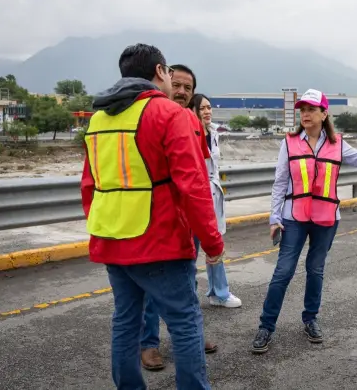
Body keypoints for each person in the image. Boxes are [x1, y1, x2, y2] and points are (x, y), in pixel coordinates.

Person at [81, 43, 224, 390]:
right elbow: (192, 185)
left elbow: (90, 185)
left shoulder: (100, 118)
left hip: (113, 239)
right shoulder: (169, 114)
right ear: (160, 72)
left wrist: (104, 227)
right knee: (185, 322)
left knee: (125, 322)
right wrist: (212, 241)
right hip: (160, 240)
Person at [251, 88, 357, 354]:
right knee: (283, 272)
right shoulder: (288, 142)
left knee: (316, 270)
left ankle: (310, 319)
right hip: (294, 218)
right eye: (303, 110)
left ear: (324, 113)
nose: (306, 114)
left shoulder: (338, 143)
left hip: (326, 218)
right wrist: (274, 217)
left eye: (311, 109)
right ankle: (266, 326)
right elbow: (279, 182)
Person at [139, 64, 219, 370]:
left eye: (189, 87)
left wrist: (207, 224)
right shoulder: (150, 119)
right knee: (148, 288)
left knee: (187, 283)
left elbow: (198, 175)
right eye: (178, 85)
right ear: (167, 83)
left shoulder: (192, 121)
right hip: (153, 221)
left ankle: (189, 336)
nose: (183, 92)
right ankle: (148, 344)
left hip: (188, 221)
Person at [190, 93, 242, 308]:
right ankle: (189, 298)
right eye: (202, 108)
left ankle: (219, 293)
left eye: (209, 107)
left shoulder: (213, 134)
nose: (207, 111)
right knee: (189, 251)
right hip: (194, 196)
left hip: (213, 194)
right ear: (193, 110)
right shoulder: (188, 134)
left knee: (215, 246)